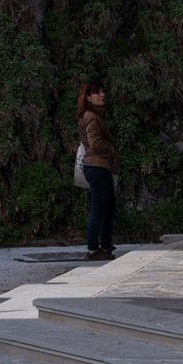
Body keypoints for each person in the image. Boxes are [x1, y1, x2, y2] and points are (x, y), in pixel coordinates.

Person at [77, 80, 118, 261]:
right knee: (99, 209)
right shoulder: (92, 117)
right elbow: (95, 144)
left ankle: (105, 246)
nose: (102, 94)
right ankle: (93, 249)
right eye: (96, 92)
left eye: (102, 90)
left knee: (106, 208)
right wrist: (112, 150)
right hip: (97, 166)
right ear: (87, 97)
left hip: (98, 167)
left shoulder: (91, 116)